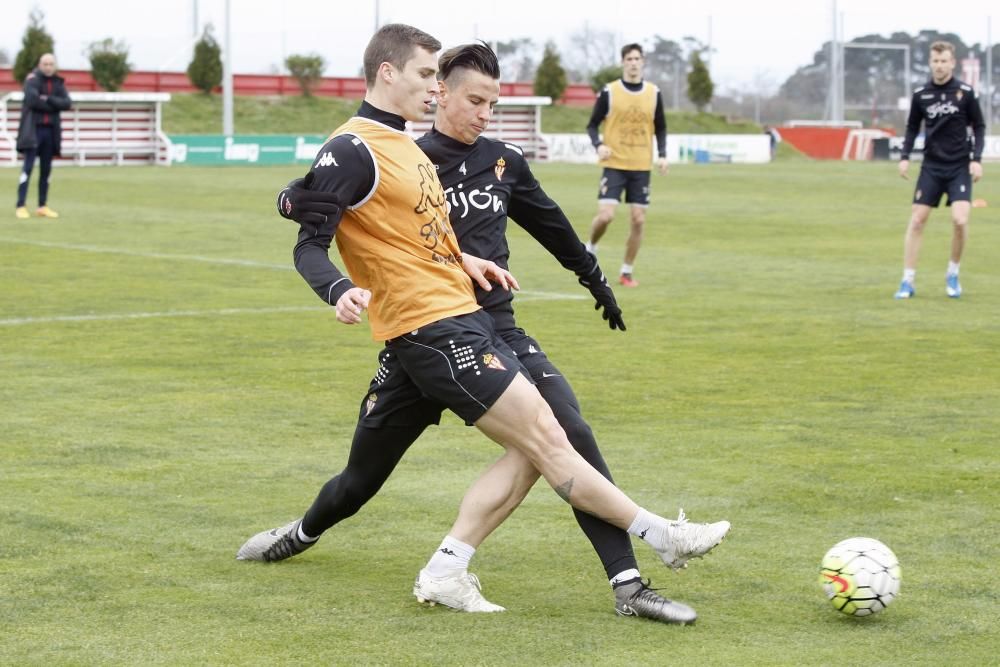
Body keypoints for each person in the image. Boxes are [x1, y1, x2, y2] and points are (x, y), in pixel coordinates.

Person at [237, 26, 729, 623]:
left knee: (551, 435)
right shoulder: (359, 147)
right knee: (364, 478)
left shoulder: (419, 151)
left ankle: (583, 573)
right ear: (394, 75)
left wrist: (478, 261)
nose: (438, 87)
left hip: (468, 321)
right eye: (427, 76)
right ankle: (308, 533)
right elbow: (313, 234)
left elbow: (431, 235)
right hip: (429, 331)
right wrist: (332, 274)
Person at [895, 40, 985, 300]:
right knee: (917, 220)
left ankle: (953, 273)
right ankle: (907, 280)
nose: (939, 65)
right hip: (931, 166)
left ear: (952, 63)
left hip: (959, 166)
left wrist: (976, 159)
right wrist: (904, 157)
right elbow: (912, 127)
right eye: (935, 61)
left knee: (960, 219)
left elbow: (978, 126)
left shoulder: (966, 93)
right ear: (930, 63)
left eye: (944, 60)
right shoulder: (921, 94)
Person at [584, 43, 668, 288]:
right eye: (629, 58)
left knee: (639, 219)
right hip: (615, 164)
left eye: (637, 58)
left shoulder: (654, 93)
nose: (633, 62)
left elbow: (661, 126)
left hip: (641, 165)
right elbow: (592, 125)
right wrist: (598, 144)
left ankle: (626, 272)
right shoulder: (609, 92)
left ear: (643, 62)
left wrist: (662, 154)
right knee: (606, 216)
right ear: (623, 62)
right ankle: (590, 248)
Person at [15, 53, 70, 220]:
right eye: (45, 64)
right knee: (28, 168)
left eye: (51, 64)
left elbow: (66, 103)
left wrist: (48, 99)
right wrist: (53, 104)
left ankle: (42, 205)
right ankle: (21, 205)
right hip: (33, 131)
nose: (48, 67)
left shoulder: (58, 83)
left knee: (46, 171)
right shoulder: (32, 80)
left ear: (55, 66)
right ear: (40, 65)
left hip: (50, 132)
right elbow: (32, 101)